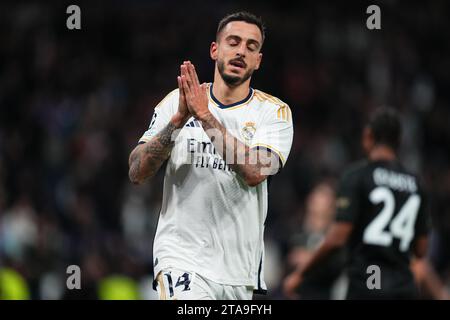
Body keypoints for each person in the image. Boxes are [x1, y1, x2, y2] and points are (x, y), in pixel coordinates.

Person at [128, 11, 294, 300]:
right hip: (181, 259)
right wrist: (178, 121)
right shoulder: (176, 102)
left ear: (258, 61)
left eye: (251, 47)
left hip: (238, 273)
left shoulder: (274, 113)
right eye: (234, 41)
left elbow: (256, 171)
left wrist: (205, 118)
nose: (242, 50)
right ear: (215, 49)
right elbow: (137, 171)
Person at [284, 107, 431, 299]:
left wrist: (301, 273)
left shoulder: (358, 176)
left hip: (370, 279)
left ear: (368, 135)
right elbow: (420, 249)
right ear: (398, 141)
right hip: (404, 286)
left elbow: (338, 237)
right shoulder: (416, 184)